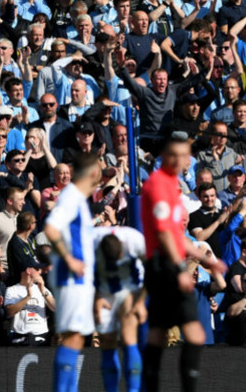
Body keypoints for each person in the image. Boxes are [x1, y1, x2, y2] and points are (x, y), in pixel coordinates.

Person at [140, 132, 227, 392]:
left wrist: (205, 259)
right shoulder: (157, 186)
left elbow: (178, 236)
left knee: (165, 335)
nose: (181, 160)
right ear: (165, 156)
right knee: (179, 335)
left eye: (184, 156)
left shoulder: (170, 187)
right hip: (162, 268)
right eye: (175, 155)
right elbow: (165, 234)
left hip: (166, 267)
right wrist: (179, 268)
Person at [43, 152, 102, 392]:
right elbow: (51, 227)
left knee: (76, 339)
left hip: (80, 281)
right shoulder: (71, 197)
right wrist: (70, 260)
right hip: (71, 280)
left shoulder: (78, 199)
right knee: (71, 338)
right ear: (93, 173)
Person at [93, 226, 147, 392]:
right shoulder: (90, 240)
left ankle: (133, 389)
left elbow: (153, 268)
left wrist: (140, 302)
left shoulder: (136, 240)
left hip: (130, 287)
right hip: (104, 289)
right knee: (107, 340)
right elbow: (82, 272)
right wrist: (95, 299)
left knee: (128, 336)